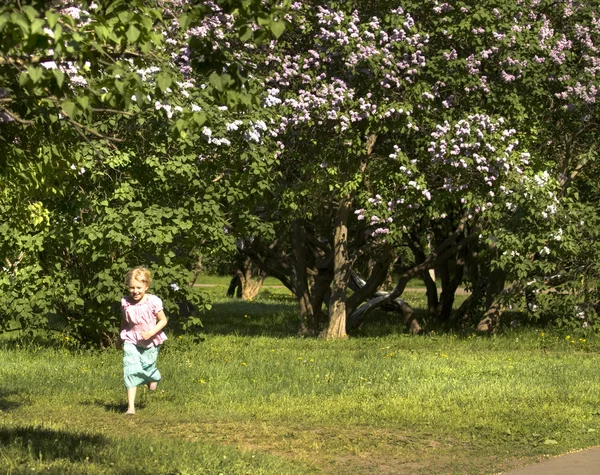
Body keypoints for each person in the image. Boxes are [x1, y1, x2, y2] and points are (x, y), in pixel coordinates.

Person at [120, 266, 168, 415]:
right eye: (132, 287)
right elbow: (124, 321)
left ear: (146, 286)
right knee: (130, 369)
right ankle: (131, 407)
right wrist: (119, 337)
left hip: (150, 342)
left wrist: (151, 332)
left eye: (139, 287)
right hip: (131, 340)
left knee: (147, 367)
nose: (135, 291)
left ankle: (153, 377)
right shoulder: (126, 302)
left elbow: (163, 320)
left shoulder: (153, 301)